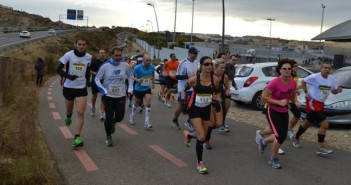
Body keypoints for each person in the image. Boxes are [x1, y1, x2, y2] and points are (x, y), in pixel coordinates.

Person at [293, 60, 342, 155]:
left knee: (307, 122)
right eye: (325, 68)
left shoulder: (332, 79)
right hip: (312, 102)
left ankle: (296, 136)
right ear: (321, 69)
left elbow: (333, 92)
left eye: (329, 68)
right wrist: (306, 92)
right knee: (325, 124)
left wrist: (338, 90)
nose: (327, 70)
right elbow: (303, 81)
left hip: (321, 104)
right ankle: (321, 147)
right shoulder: (315, 77)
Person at [256, 59, 297, 169]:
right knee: (280, 136)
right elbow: (264, 97)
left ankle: (264, 142)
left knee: (282, 136)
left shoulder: (293, 82)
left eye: (289, 68)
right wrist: (278, 102)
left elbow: (292, 95)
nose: (287, 70)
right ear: (279, 70)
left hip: (284, 111)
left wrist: (296, 101)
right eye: (284, 69)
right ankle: (272, 159)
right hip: (273, 110)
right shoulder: (274, 82)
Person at [182, 56, 220, 174]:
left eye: (211, 64)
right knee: (202, 137)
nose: (209, 66)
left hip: (207, 109)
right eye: (207, 64)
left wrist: (216, 101)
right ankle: (200, 163)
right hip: (195, 109)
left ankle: (189, 136)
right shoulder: (194, 79)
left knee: (201, 135)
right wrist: (184, 101)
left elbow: (216, 92)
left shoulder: (215, 80)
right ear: (201, 66)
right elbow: (184, 89)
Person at [56, 38, 92, 148]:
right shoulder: (68, 55)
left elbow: (87, 71)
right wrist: (69, 77)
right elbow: (58, 69)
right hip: (69, 87)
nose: (81, 46)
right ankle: (68, 116)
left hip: (81, 88)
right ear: (75, 45)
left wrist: (88, 81)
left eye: (83, 44)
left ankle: (77, 137)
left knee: (80, 112)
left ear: (86, 45)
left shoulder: (89, 57)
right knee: (69, 110)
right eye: (79, 44)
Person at [94, 47, 134, 146]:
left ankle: (113, 123)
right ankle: (108, 136)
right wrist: (103, 90)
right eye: (116, 55)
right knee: (109, 117)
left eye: (120, 55)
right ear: (111, 55)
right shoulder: (105, 66)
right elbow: (97, 79)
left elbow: (130, 76)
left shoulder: (125, 65)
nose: (118, 57)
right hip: (108, 96)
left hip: (120, 95)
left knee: (120, 117)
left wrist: (130, 88)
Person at [172, 47, 200, 130]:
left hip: (192, 87)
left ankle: (189, 121)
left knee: (193, 104)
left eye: (196, 53)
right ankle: (174, 120)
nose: (196, 55)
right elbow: (177, 76)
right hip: (183, 88)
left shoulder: (196, 62)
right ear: (189, 53)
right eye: (194, 53)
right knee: (181, 106)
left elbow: (195, 73)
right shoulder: (183, 63)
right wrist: (187, 76)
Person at [204, 58, 228, 149]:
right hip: (207, 101)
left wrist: (227, 92)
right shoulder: (209, 76)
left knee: (219, 124)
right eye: (221, 68)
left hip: (218, 101)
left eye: (224, 68)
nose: (223, 70)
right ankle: (206, 141)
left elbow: (225, 88)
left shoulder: (224, 77)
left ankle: (202, 129)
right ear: (215, 68)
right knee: (211, 122)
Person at [129, 53, 155, 129]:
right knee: (136, 103)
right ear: (143, 60)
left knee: (149, 103)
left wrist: (151, 81)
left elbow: (152, 74)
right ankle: (132, 116)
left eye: (149, 60)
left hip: (147, 88)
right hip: (138, 88)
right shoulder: (137, 67)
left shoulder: (152, 67)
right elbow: (131, 75)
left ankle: (147, 122)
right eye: (147, 60)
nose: (148, 62)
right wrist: (137, 80)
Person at [219, 54, 238, 133]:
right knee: (223, 107)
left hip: (227, 89)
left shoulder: (233, 68)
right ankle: (221, 124)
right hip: (222, 89)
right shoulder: (225, 67)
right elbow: (221, 77)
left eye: (236, 60)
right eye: (233, 59)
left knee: (227, 106)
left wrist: (234, 85)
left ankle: (222, 123)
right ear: (230, 59)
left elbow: (231, 78)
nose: (234, 61)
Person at [90, 49, 107, 121]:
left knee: (103, 97)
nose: (102, 54)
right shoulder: (94, 62)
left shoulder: (107, 62)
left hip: (104, 82)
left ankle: (102, 113)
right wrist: (97, 74)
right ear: (98, 54)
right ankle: (93, 107)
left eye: (103, 53)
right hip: (95, 82)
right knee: (94, 96)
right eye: (101, 53)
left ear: (105, 54)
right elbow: (90, 70)